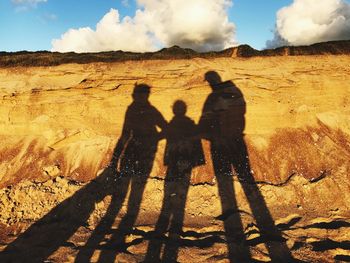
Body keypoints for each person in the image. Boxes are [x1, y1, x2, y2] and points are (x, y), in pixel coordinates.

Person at [145, 100, 204, 262]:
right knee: (181, 194)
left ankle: (167, 222)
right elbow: (197, 142)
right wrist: (196, 161)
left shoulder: (172, 124)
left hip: (174, 162)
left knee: (169, 193)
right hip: (186, 162)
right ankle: (175, 225)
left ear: (175, 110)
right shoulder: (190, 124)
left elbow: (160, 136)